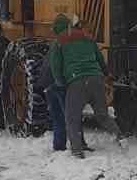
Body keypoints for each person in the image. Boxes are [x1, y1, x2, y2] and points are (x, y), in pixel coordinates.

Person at [48, 14, 116, 159]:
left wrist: (61, 82)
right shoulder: (86, 38)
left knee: (72, 117)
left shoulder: (58, 42)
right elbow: (99, 58)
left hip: (76, 82)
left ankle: (77, 150)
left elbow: (55, 65)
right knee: (102, 115)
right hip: (96, 79)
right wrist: (107, 75)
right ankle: (120, 136)